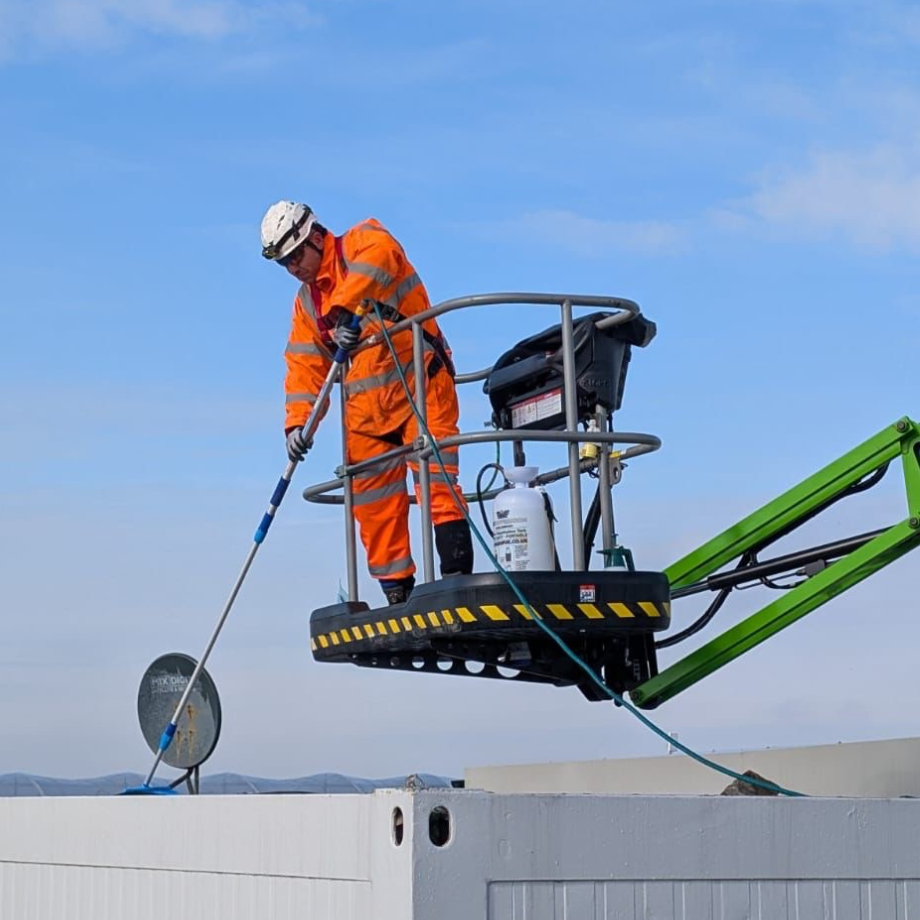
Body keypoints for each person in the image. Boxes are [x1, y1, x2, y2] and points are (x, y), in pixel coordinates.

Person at [260, 201, 474, 605]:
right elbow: (304, 367)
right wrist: (297, 425)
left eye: (296, 256)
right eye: (284, 264)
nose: (293, 268)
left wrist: (344, 308)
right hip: (365, 410)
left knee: (437, 486)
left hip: (419, 387)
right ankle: (398, 595)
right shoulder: (306, 305)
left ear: (318, 238)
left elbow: (380, 261)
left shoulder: (364, 239)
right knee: (373, 502)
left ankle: (456, 584)